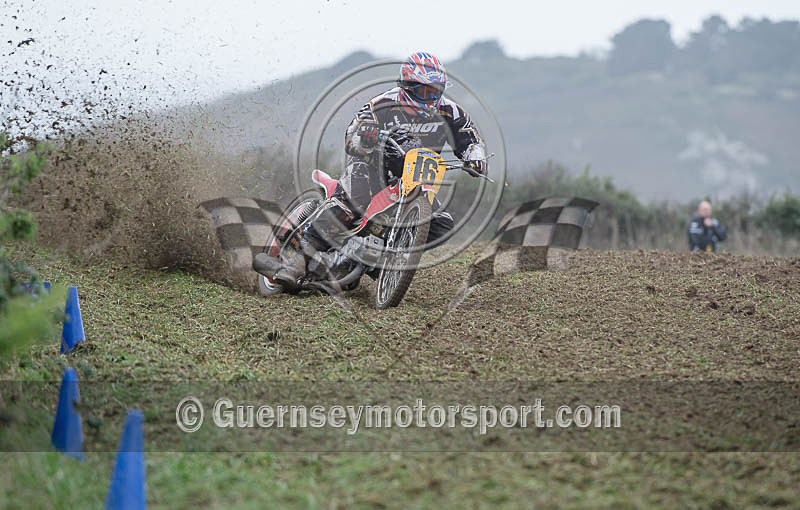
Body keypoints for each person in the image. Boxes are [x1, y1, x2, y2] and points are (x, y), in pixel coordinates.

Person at [275, 52, 488, 285]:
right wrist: (365, 135)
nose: (429, 97)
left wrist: (475, 158)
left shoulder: (453, 113)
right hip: (372, 166)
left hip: (415, 177)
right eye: (423, 91)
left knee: (441, 223)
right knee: (352, 202)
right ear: (406, 86)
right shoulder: (382, 103)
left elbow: (471, 140)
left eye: (434, 91)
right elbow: (351, 135)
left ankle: (387, 259)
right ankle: (297, 260)